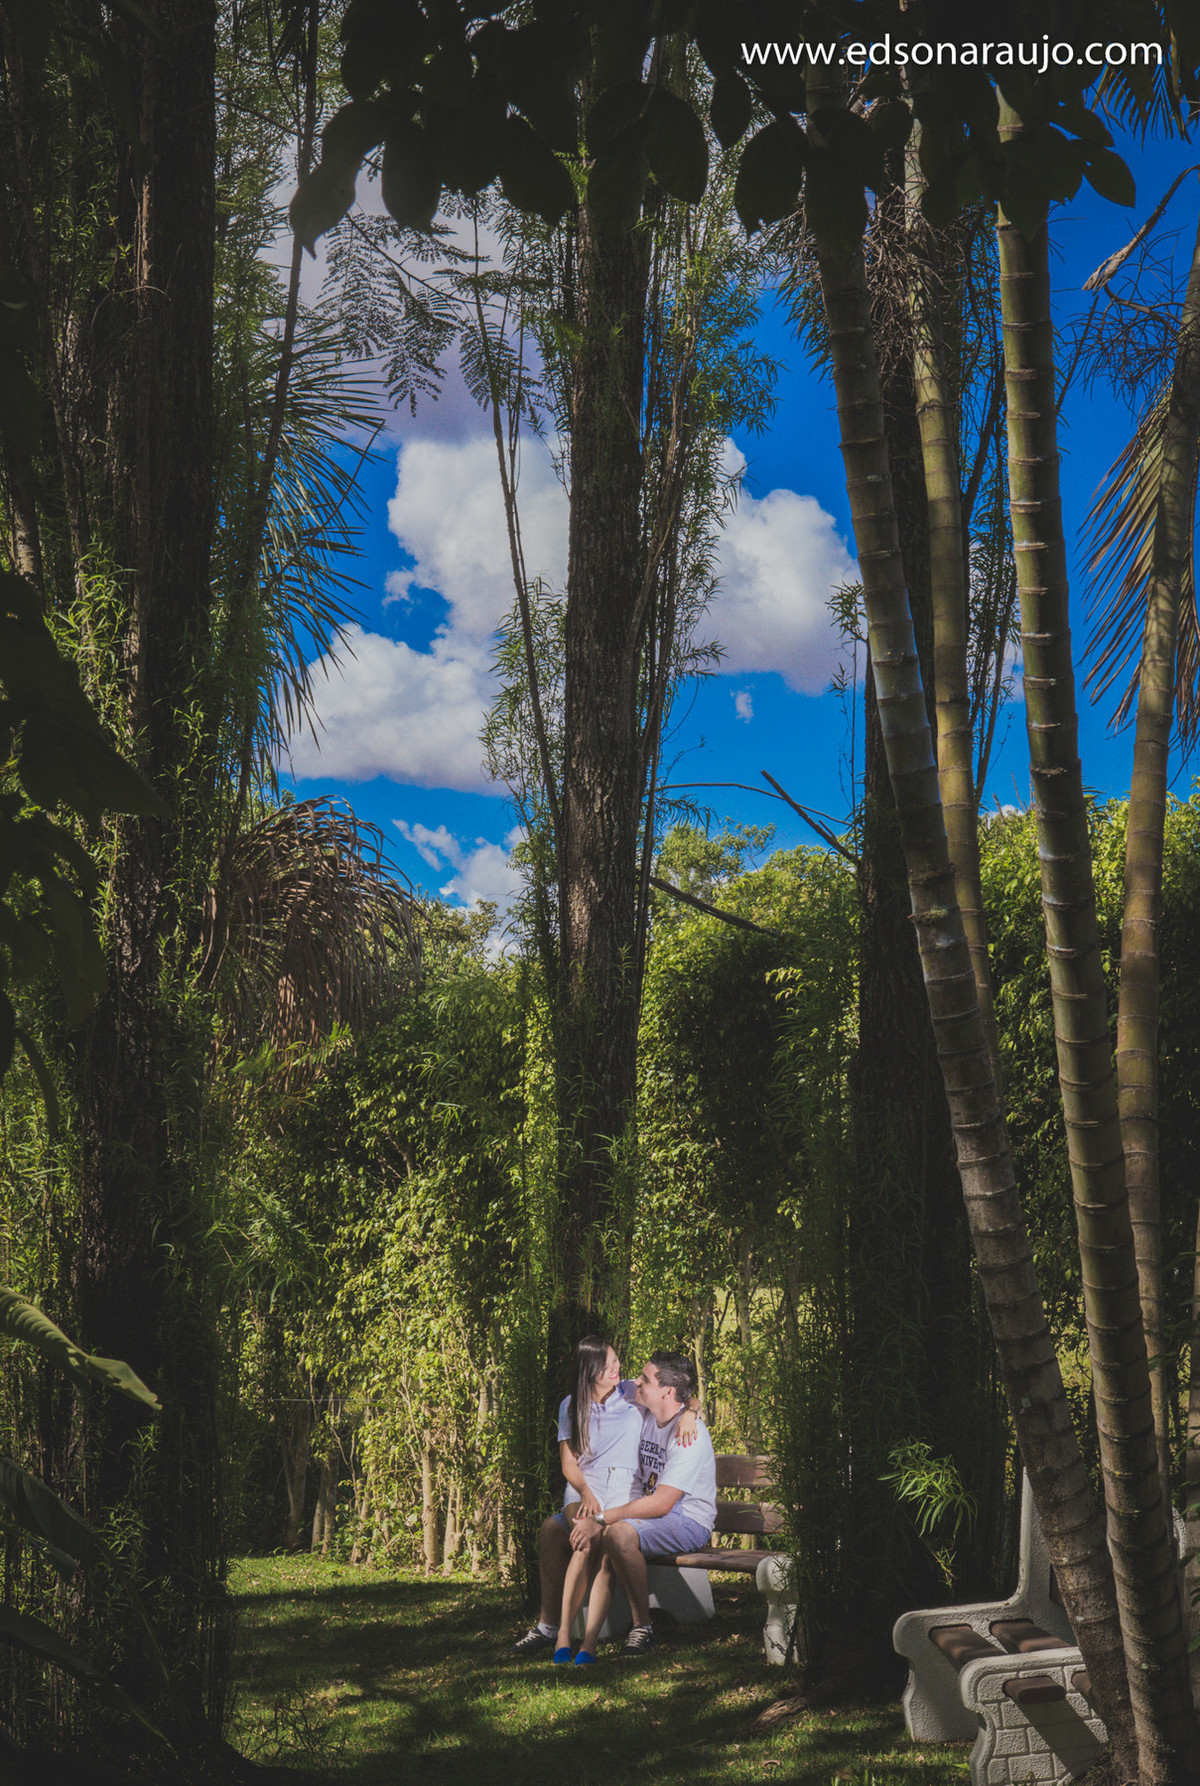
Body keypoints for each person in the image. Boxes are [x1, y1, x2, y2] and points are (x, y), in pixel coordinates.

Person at [511, 1343, 701, 1664]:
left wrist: (691, 1414)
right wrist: (585, 1491)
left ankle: (588, 1645)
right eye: (609, 1365)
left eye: (617, 1361)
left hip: (625, 1489)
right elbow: (568, 1462)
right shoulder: (571, 1405)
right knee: (586, 1540)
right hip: (586, 1485)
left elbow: (684, 1393)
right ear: (591, 1372)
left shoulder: (630, 1392)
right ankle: (557, 1637)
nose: (618, 1369)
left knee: (605, 1555)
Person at [568, 1352, 715, 1658]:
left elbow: (662, 1504)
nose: (636, 1381)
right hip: (654, 1516)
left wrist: (601, 1518)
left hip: (688, 1521)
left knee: (618, 1533)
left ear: (667, 1391)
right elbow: (600, 1386)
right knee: (606, 1533)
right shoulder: (646, 1409)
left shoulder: (689, 1437)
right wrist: (692, 1406)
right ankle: (558, 1630)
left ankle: (642, 1628)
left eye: (645, 1379)